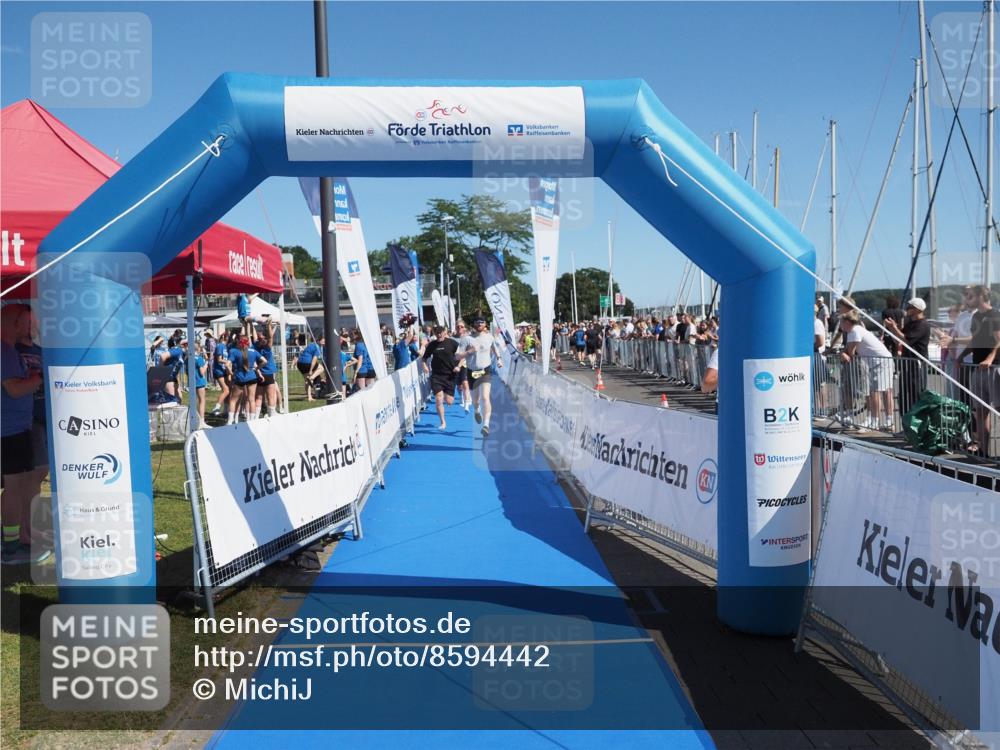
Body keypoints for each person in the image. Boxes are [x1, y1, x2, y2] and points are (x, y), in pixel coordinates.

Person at [1, 305, 47, 565]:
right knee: (15, 487)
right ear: (17, 322)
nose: (30, 327)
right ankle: (10, 547)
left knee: (19, 484)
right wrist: (38, 377)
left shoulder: (7, 351)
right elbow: (15, 389)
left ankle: (14, 540)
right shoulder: (4, 350)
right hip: (10, 430)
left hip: (16, 428)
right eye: (27, 322)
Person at [956, 285, 1000, 455]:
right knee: (980, 412)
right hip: (977, 369)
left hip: (994, 368)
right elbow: (975, 340)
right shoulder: (976, 317)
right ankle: (983, 450)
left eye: (971, 295)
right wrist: (962, 356)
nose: (967, 298)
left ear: (981, 296)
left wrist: (990, 358)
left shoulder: (994, 314)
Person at [839, 309, 895, 432]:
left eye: (841, 322)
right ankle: (888, 421)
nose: (840, 325)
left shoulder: (853, 331)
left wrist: (842, 353)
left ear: (847, 322)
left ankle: (874, 422)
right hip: (883, 360)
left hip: (879, 362)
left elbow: (850, 353)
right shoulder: (858, 329)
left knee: (874, 392)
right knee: (886, 391)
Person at [885, 297, 930, 418]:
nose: (906, 309)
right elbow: (900, 338)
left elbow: (906, 339)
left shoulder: (922, 324)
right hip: (907, 364)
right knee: (904, 395)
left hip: (917, 364)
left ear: (917, 309)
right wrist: (891, 329)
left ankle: (917, 427)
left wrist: (894, 328)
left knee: (915, 395)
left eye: (909, 307)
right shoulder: (911, 322)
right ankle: (906, 425)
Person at [465, 317, 503, 436]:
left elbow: (495, 349)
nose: (480, 324)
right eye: (477, 322)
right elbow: (458, 355)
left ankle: (486, 425)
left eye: (482, 322)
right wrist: (468, 353)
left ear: (485, 324)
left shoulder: (489, 337)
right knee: (476, 401)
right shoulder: (467, 339)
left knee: (485, 397)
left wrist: (499, 359)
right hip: (472, 371)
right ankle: (476, 410)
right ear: (474, 324)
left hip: (485, 370)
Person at [421, 325, 465, 429]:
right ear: (435, 334)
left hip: (450, 375)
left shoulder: (452, 343)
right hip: (436, 376)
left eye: (441, 332)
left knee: (449, 401)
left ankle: (448, 395)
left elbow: (462, 356)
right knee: (438, 398)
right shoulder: (432, 345)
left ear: (444, 332)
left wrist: (458, 366)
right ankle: (443, 422)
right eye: (437, 333)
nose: (439, 335)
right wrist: (425, 367)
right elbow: (424, 359)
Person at [227, 336, 263, 424]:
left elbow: (227, 364)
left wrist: (231, 373)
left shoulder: (234, 351)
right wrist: (257, 368)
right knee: (251, 399)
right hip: (252, 376)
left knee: (233, 399)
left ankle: (230, 421)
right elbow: (264, 361)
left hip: (240, 377)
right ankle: (252, 420)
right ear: (248, 342)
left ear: (239, 342)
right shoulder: (253, 351)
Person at [254, 319, 280, 417]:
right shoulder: (267, 348)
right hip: (268, 373)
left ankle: (255, 416)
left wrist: (250, 325)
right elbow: (270, 337)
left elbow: (267, 336)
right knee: (271, 396)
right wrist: (269, 325)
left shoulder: (255, 346)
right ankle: (272, 414)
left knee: (259, 397)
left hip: (259, 374)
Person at [453, 321, 473, 411]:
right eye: (458, 327)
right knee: (459, 385)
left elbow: (468, 353)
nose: (460, 328)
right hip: (454, 364)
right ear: (455, 328)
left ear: (464, 328)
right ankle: (461, 396)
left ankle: (467, 403)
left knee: (465, 383)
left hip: (465, 363)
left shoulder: (468, 339)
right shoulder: (451, 339)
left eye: (461, 326)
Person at [210, 332, 231, 415]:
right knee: (226, 390)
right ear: (224, 337)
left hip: (224, 370)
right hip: (219, 371)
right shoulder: (220, 346)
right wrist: (229, 361)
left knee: (227, 391)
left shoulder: (226, 347)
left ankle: (225, 410)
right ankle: (216, 407)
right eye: (228, 337)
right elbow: (219, 359)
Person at [297, 333, 321, 401]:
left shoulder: (310, 345)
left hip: (300, 363)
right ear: (319, 340)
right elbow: (314, 360)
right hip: (307, 363)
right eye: (323, 340)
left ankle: (309, 397)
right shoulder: (317, 347)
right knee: (321, 368)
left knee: (307, 381)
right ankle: (312, 378)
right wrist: (311, 370)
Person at [192, 343, 211, 429]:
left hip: (192, 382)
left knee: (194, 402)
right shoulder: (199, 359)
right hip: (200, 382)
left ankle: (195, 420)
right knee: (202, 401)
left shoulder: (188, 358)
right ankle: (201, 422)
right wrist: (206, 364)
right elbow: (202, 372)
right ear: (198, 349)